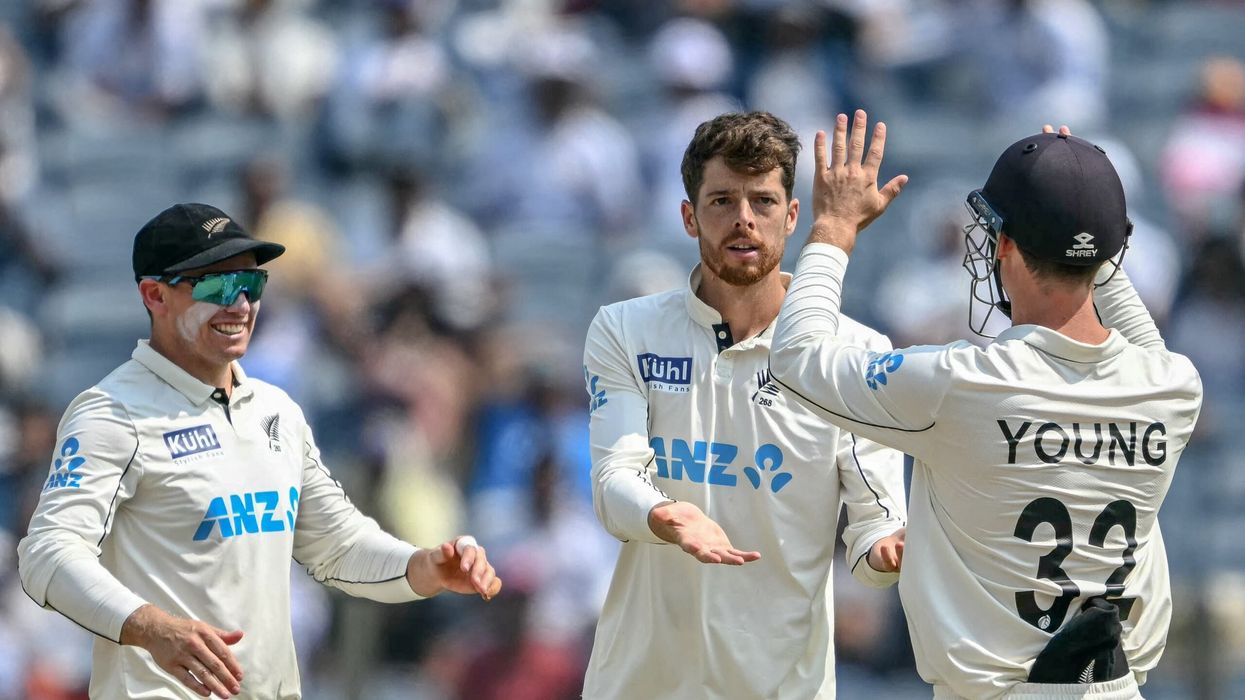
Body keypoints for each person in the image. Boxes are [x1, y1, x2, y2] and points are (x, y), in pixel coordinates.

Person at [769, 111, 1203, 699]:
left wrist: (834, 229)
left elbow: (796, 358)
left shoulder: (961, 383)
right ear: (1113, 250)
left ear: (1003, 243)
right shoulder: (1174, 386)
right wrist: (1081, 202)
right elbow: (1135, 333)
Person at [17, 203, 502, 699]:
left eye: (252, 286)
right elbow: (47, 555)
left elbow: (337, 545)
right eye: (218, 287)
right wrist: (152, 627)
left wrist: (422, 567)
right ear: (155, 295)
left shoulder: (275, 411)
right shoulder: (112, 414)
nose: (241, 305)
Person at [581, 111, 907, 699]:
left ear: (792, 215)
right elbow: (613, 485)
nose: (744, 221)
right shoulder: (626, 331)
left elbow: (870, 535)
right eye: (722, 201)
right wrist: (667, 515)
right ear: (688, 216)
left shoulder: (855, 351)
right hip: (640, 684)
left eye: (762, 200)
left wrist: (895, 550)